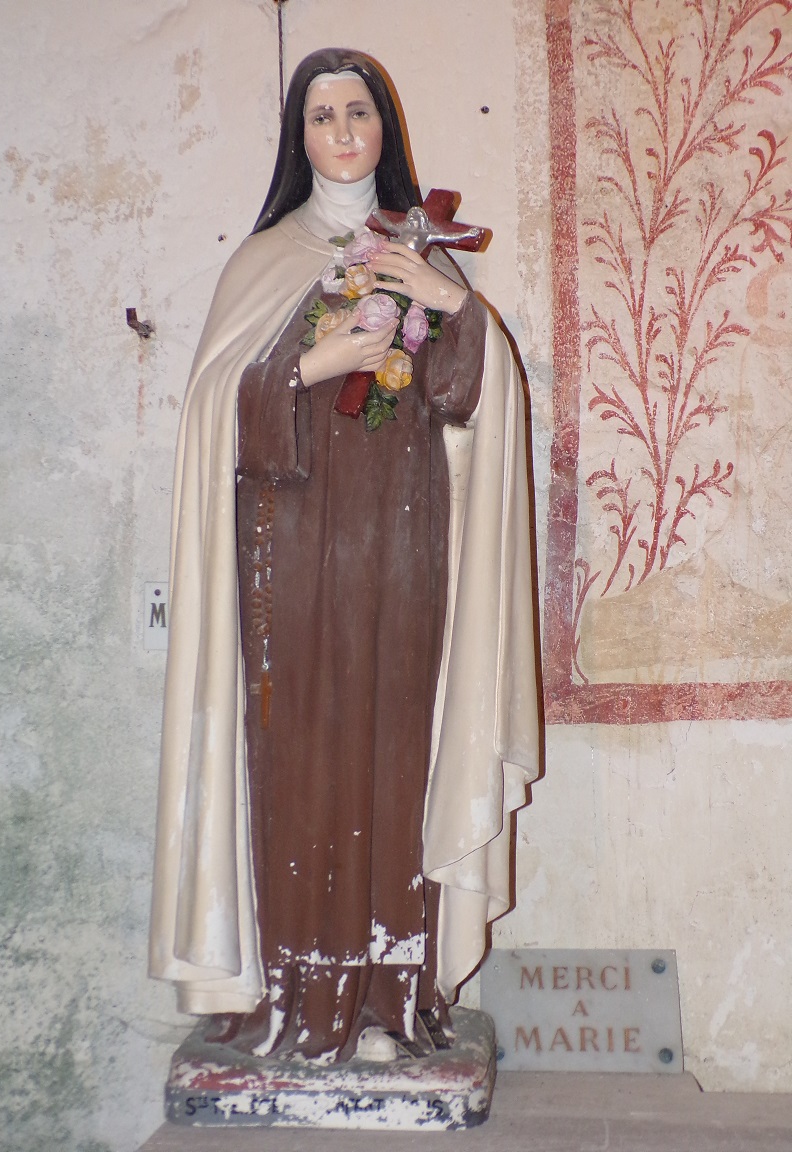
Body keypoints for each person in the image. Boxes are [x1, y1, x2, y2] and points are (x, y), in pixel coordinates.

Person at [149, 48, 539, 1064]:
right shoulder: (266, 257)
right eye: (321, 116)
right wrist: (316, 363)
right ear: (300, 137)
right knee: (300, 754)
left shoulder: (422, 249)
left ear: (384, 127)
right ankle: (296, 998)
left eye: (357, 111)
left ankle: (389, 999)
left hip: (405, 546)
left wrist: (446, 303)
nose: (342, 131)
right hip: (292, 558)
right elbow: (214, 413)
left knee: (397, 750)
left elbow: (469, 394)